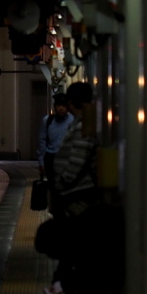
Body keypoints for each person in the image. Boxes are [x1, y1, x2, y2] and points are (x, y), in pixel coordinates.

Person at [50, 81, 98, 218]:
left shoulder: (83, 127)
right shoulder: (80, 123)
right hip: (74, 190)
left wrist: (63, 181)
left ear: (71, 101)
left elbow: (77, 159)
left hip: (76, 192)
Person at [37, 93, 74, 182]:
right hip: (51, 157)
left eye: (63, 105)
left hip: (67, 156)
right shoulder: (47, 121)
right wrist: (41, 162)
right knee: (52, 184)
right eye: (58, 105)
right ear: (54, 106)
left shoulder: (72, 120)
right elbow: (42, 141)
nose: (61, 108)